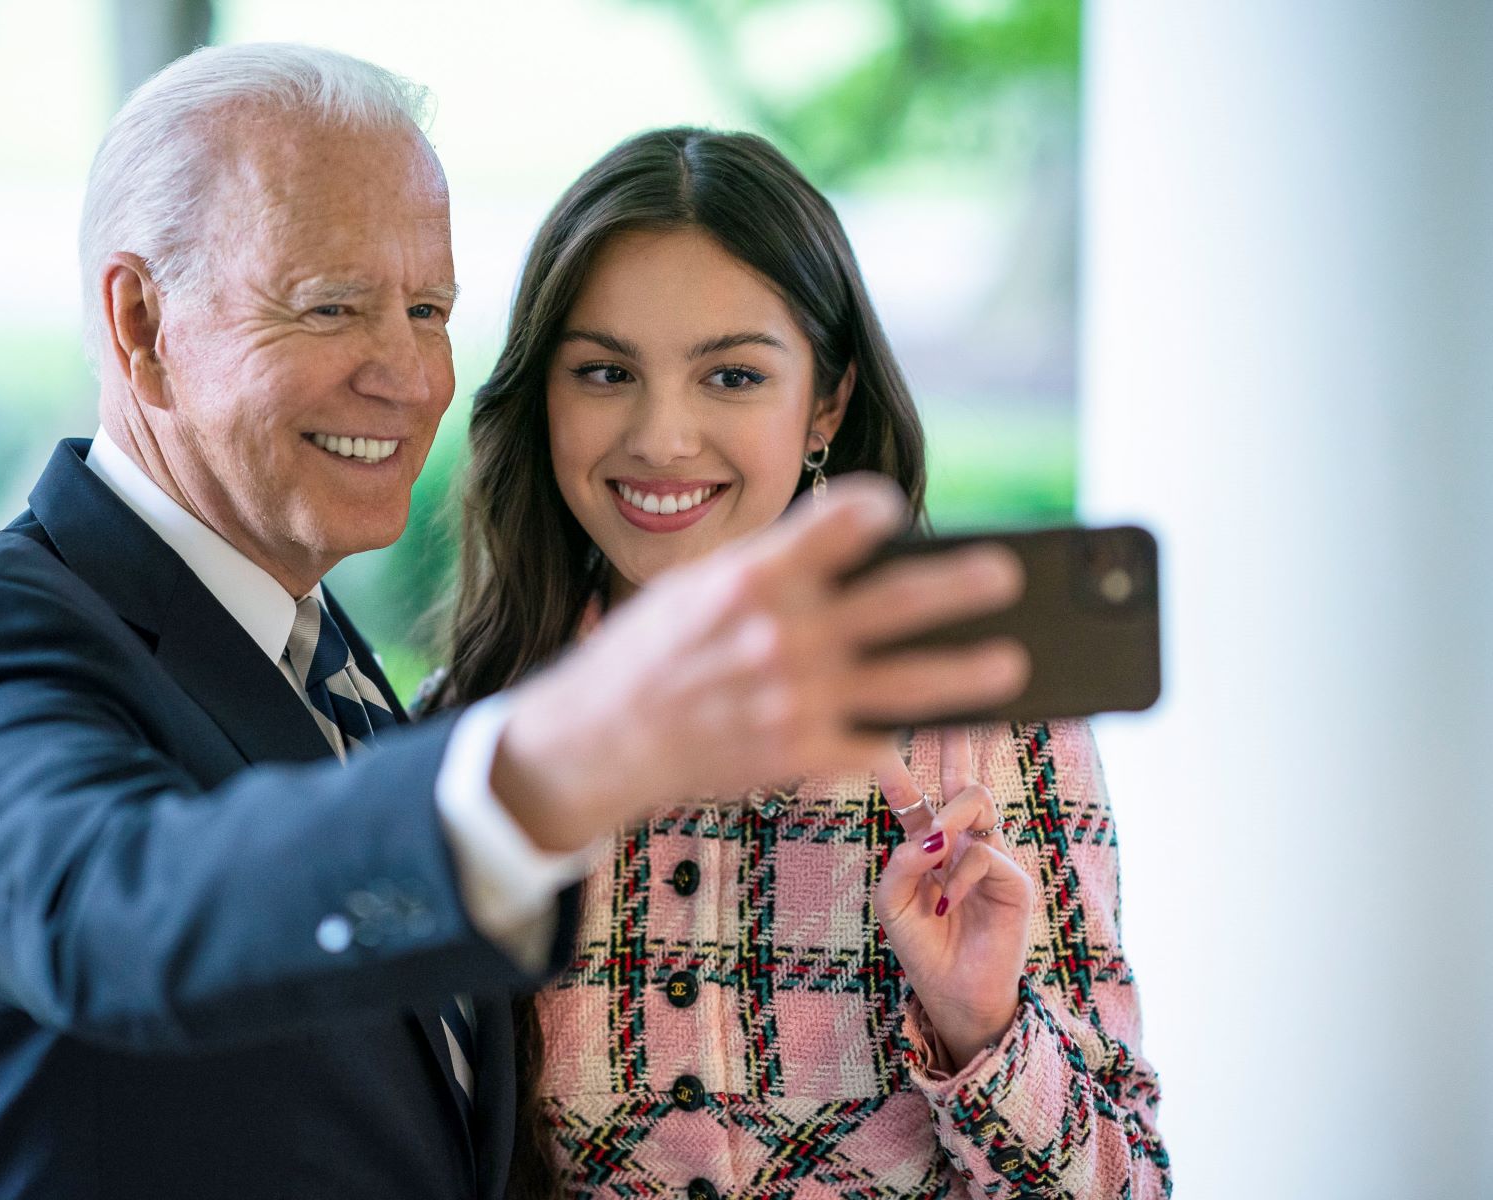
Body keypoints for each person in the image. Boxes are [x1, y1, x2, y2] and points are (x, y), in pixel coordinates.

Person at [0, 46, 1032, 1200]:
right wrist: (553, 762)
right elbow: (111, 906)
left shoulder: (322, 659)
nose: (406, 376)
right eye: (333, 307)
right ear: (141, 326)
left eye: (430, 310)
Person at [428, 128, 1172, 1198]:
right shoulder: (472, 744)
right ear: (544, 395)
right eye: (605, 372)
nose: (662, 436)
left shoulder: (997, 724)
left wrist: (985, 1027)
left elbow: (1129, 1185)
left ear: (826, 401)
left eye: (731, 374)